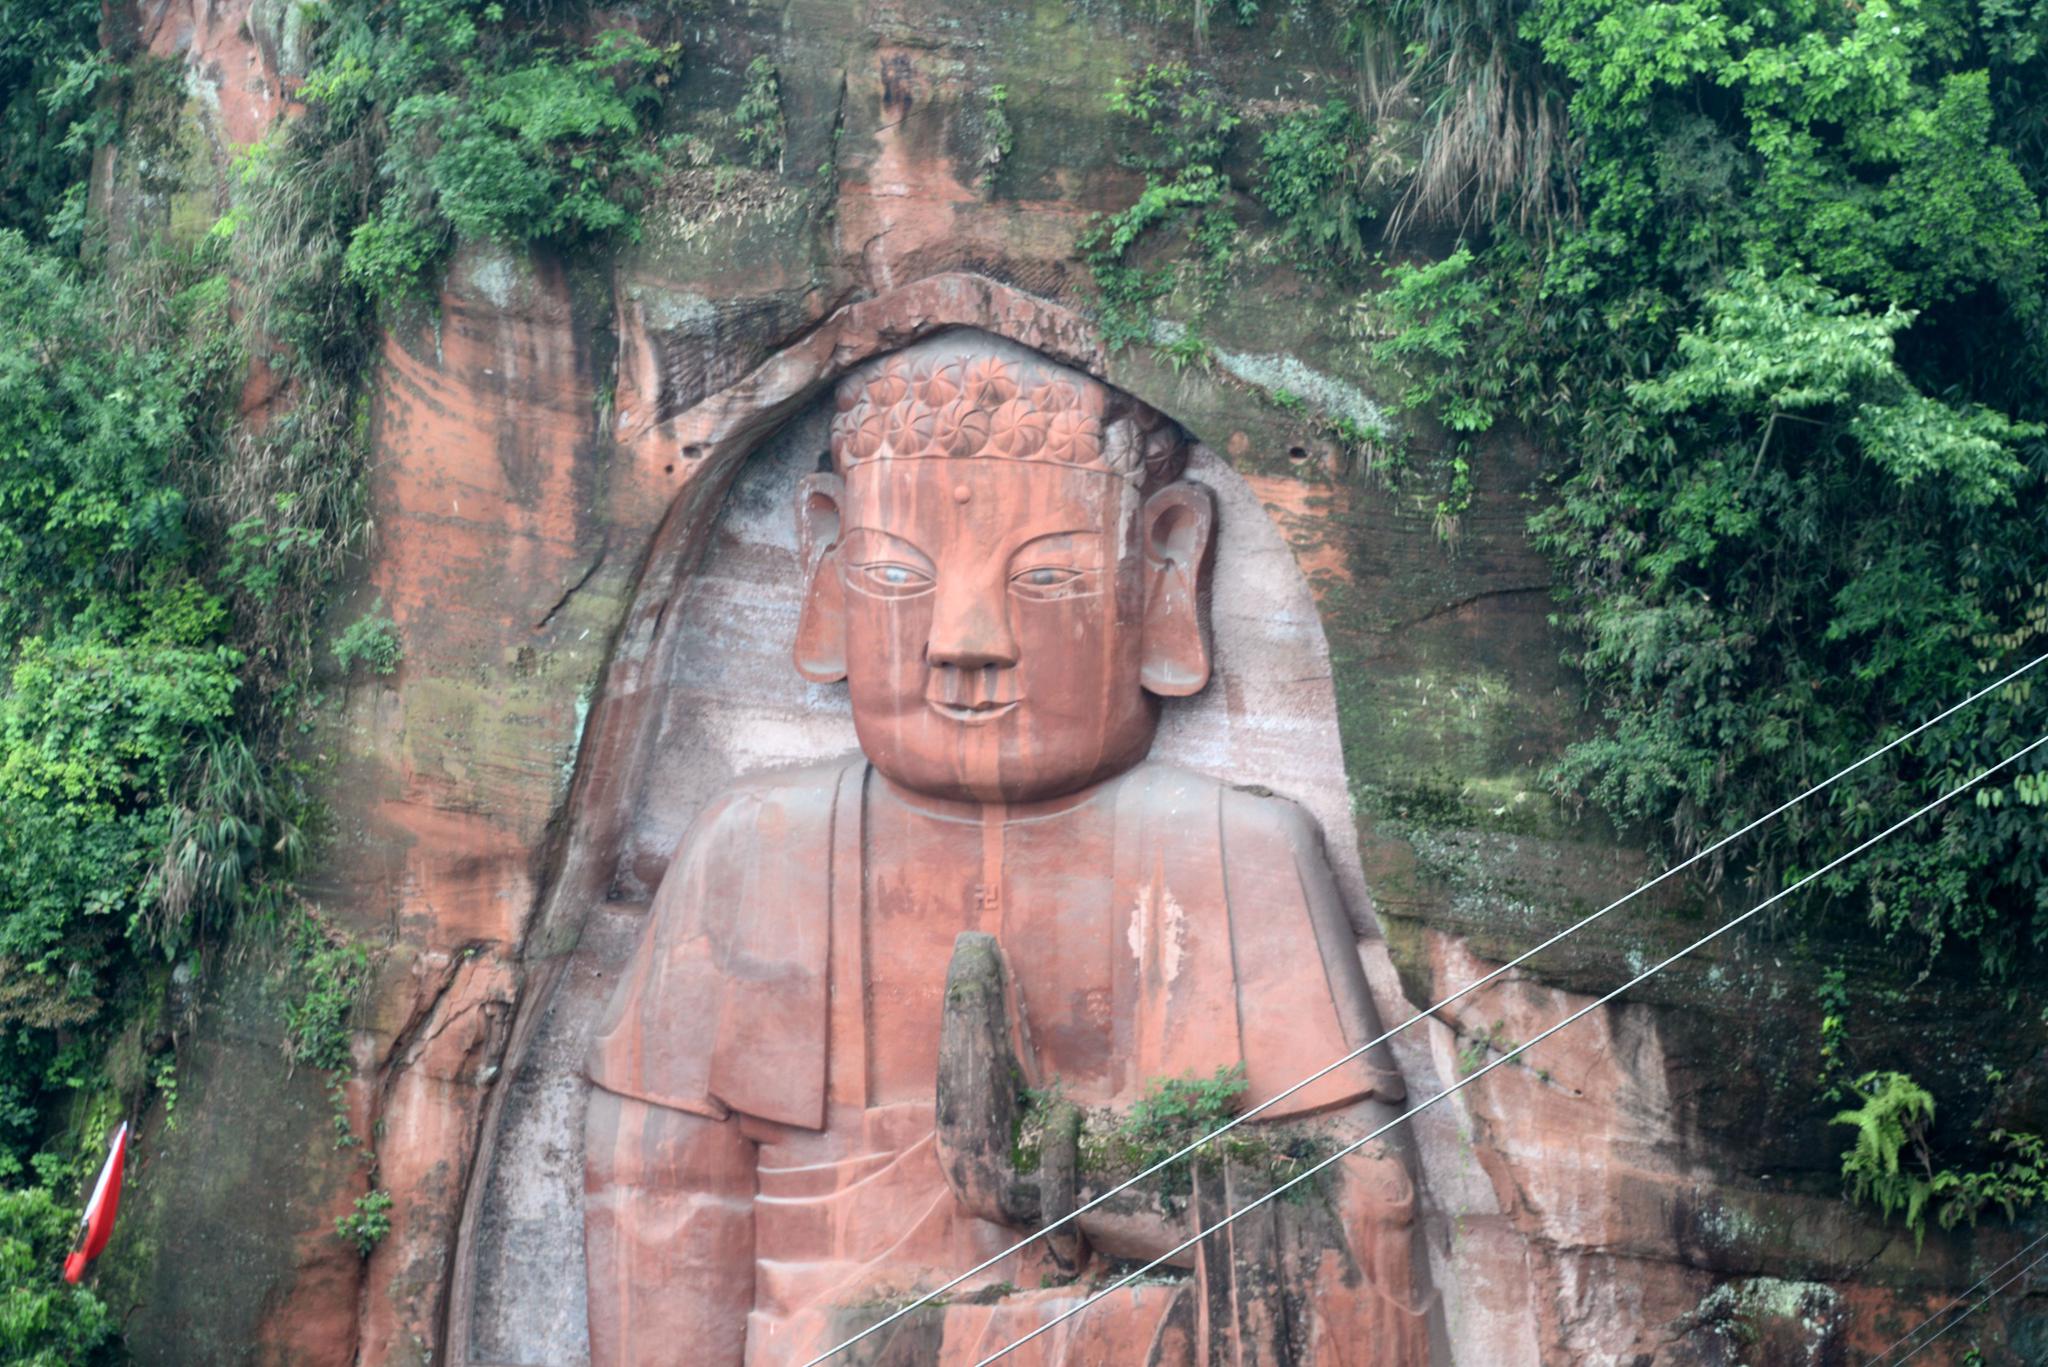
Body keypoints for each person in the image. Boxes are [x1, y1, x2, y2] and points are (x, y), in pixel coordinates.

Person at [583, 332, 1432, 1365]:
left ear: (1161, 567)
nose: (963, 640)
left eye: (1046, 574)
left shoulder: (1228, 851)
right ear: (825, 563)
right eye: (895, 571)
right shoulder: (753, 852)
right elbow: (658, 1206)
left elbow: (1363, 1220)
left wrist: (1061, 1168)